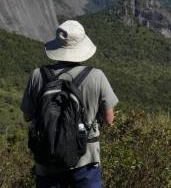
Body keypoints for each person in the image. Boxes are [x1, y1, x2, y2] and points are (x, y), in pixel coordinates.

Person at [21, 20, 119, 188]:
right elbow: (109, 119)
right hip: (85, 160)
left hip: (47, 160)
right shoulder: (97, 76)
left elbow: (27, 116)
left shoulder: (38, 75)